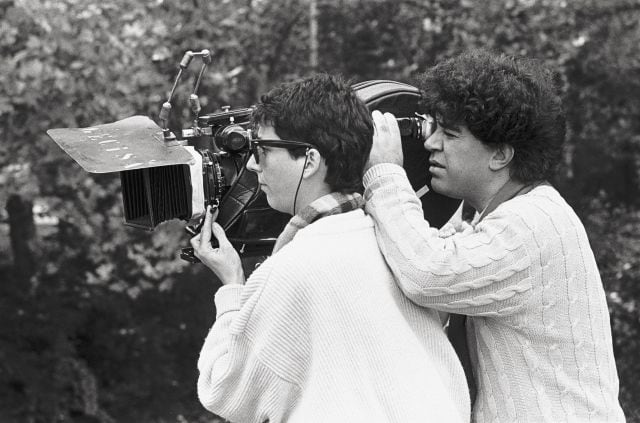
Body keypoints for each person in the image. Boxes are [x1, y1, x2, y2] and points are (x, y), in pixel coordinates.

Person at [190, 74, 470, 423]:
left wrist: (233, 288)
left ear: (309, 160)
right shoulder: (401, 244)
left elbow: (225, 390)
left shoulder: (291, 270)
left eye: (262, 150)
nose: (251, 164)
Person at [364, 49, 625, 422]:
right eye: (434, 128)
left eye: (450, 134)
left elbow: (427, 273)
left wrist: (386, 174)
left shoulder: (531, 224)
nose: (430, 143)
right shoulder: (518, 215)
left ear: (500, 155)